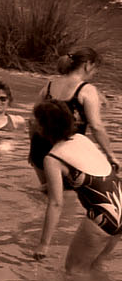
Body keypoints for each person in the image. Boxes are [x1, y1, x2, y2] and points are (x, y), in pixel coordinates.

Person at [30, 98, 122, 275]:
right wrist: (49, 185)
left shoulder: (53, 158)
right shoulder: (81, 139)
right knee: (96, 268)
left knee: (74, 272)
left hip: (104, 215)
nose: (32, 123)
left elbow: (56, 204)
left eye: (35, 120)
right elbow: (89, 173)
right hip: (120, 207)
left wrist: (44, 244)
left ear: (43, 127)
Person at [28, 48, 111, 188]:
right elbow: (96, 126)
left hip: (39, 147)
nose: (94, 73)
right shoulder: (87, 89)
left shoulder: (49, 85)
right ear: (88, 65)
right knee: (68, 197)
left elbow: (32, 121)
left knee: (47, 193)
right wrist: (110, 155)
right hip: (66, 152)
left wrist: (32, 150)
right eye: (95, 69)